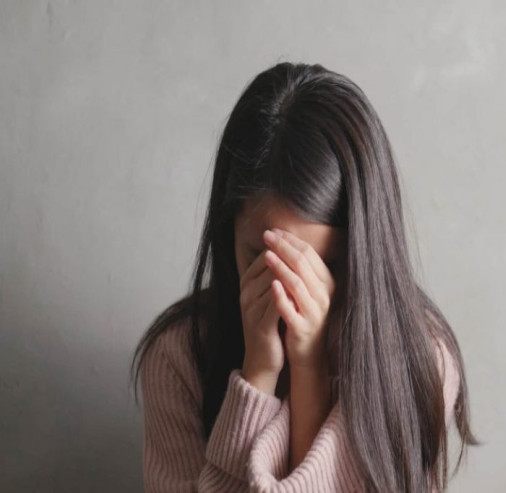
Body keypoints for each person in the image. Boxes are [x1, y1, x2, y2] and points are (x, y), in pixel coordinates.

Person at [129, 61, 480, 492]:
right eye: (265, 261)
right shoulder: (177, 358)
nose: (292, 294)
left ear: (365, 252)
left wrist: (310, 366)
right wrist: (258, 375)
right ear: (228, 232)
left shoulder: (417, 359)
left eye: (326, 266)